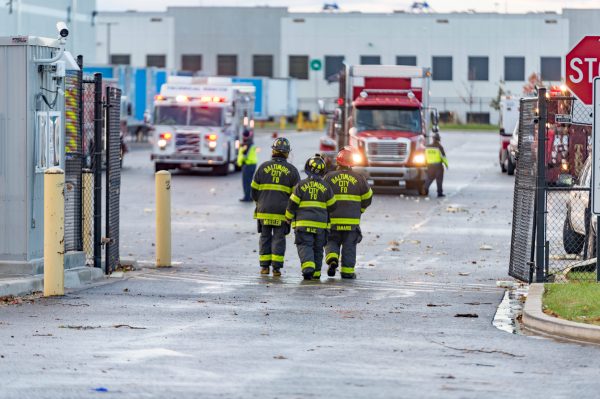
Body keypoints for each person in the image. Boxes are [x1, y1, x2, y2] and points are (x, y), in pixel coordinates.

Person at [251, 138, 300, 276]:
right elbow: (297, 195)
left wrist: (260, 203)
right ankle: (276, 269)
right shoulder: (292, 170)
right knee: (279, 238)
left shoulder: (262, 167)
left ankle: (264, 267)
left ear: (273, 151)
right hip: (282, 213)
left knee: (265, 237)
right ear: (287, 153)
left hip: (264, 211)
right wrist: (293, 213)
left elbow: (253, 191)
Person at [324, 146, 373, 279]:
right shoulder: (359, 178)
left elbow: (321, 196)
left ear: (338, 162)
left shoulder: (328, 177)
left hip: (332, 220)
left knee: (331, 241)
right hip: (351, 222)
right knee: (349, 246)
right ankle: (347, 272)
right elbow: (368, 198)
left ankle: (332, 258)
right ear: (351, 163)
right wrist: (360, 210)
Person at [286, 155, 336, 280]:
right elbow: (333, 206)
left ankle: (308, 268)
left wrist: (288, 217)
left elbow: (292, 204)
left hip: (303, 225)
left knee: (304, 245)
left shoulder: (300, 185)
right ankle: (317, 274)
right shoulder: (326, 186)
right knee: (318, 249)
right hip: (320, 226)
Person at [424, 133, 448, 197]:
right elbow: (443, 157)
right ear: (439, 139)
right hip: (438, 166)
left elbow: (424, 156)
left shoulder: (427, 147)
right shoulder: (439, 147)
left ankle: (425, 190)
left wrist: (425, 164)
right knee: (439, 179)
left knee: (429, 178)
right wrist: (446, 165)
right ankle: (439, 193)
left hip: (429, 165)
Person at [237, 129, 257, 202]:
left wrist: (241, 161)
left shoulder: (247, 144)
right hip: (252, 164)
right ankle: (250, 196)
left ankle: (247, 197)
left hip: (248, 164)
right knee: (250, 182)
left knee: (246, 182)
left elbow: (245, 155)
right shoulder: (250, 142)